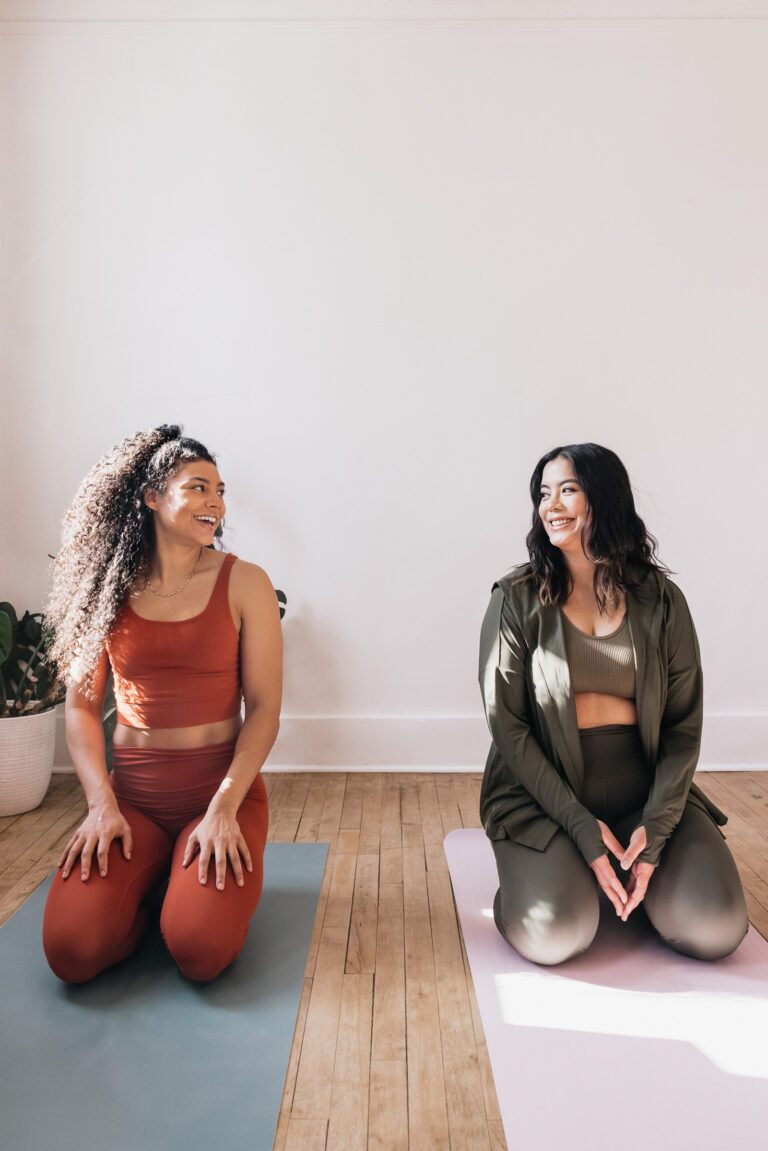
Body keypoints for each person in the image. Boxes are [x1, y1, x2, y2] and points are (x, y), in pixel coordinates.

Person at [479, 443, 747, 966]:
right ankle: (535, 881)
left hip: (643, 790)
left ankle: (629, 873)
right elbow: (507, 727)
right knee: (556, 935)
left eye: (568, 489)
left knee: (716, 929)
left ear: (604, 498)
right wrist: (578, 824)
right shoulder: (515, 598)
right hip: (542, 794)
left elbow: (682, 725)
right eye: (543, 493)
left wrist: (660, 823)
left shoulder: (661, 600)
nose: (550, 504)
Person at [42, 425, 282, 983]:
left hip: (220, 795)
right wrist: (101, 805)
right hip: (133, 801)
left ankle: (183, 898)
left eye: (220, 491)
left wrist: (223, 808)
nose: (215, 503)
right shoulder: (106, 590)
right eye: (198, 488)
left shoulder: (246, 582)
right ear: (151, 495)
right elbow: (80, 709)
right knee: (70, 952)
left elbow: (265, 708)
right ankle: (156, 887)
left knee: (200, 953)